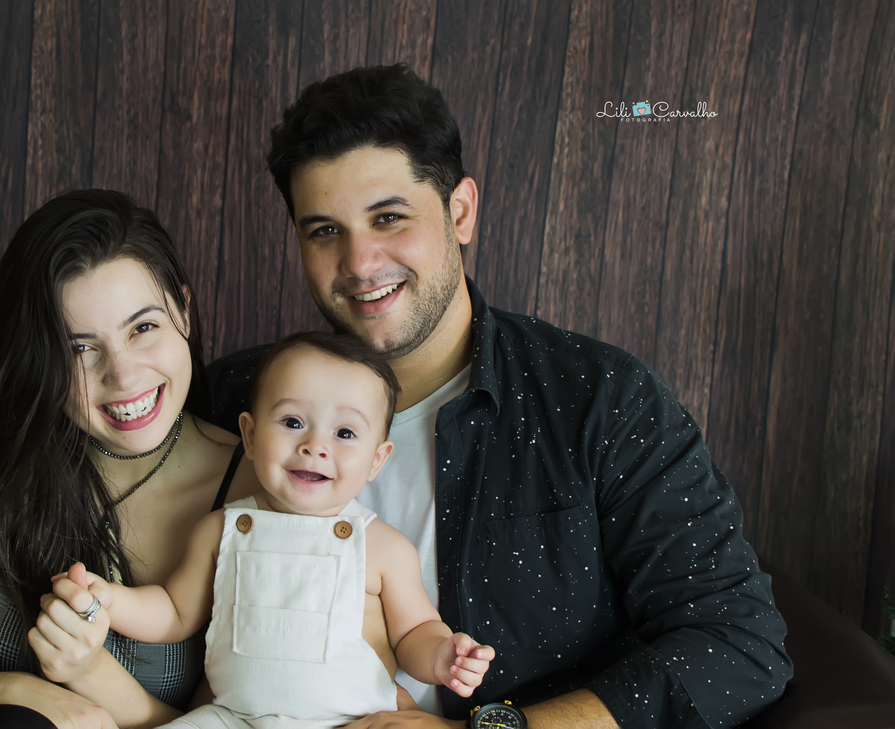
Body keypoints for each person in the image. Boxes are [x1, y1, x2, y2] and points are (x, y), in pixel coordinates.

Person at [196, 65, 793, 729]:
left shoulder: (599, 400)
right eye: (325, 231)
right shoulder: (231, 399)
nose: (360, 263)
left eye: (388, 217)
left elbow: (737, 642)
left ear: (460, 212)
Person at [0, 190, 259, 729]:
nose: (123, 375)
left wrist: (92, 677)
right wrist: (11, 692)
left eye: (143, 328)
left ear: (184, 311)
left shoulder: (259, 493)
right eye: (79, 348)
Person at [79, 332, 493, 729]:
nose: (315, 445)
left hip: (352, 721)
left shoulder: (384, 548)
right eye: (292, 422)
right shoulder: (220, 530)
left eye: (345, 433)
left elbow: (414, 632)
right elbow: (173, 612)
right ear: (251, 435)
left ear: (376, 460)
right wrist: (109, 600)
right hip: (233, 719)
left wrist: (442, 657)